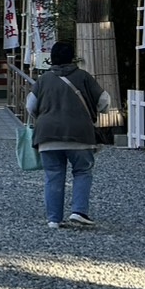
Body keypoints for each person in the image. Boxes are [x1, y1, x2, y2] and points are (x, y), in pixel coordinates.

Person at [26, 40, 111, 229]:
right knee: (82, 171)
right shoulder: (84, 77)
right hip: (80, 134)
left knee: (53, 175)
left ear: (51, 59)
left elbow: (30, 106)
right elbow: (104, 102)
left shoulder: (43, 80)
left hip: (47, 135)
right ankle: (78, 211)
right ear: (72, 58)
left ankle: (54, 219)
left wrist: (45, 115)